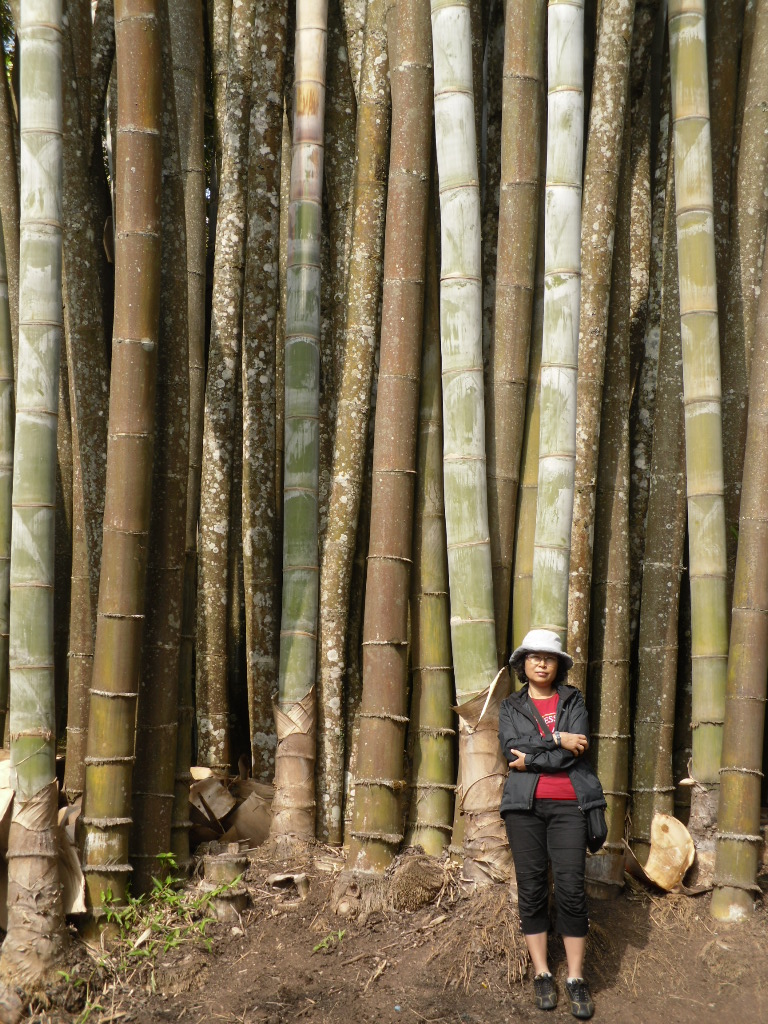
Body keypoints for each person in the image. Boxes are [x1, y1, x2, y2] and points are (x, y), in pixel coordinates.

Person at [498, 628, 606, 1019]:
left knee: (572, 888)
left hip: (570, 806)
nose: (541, 662)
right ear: (523, 664)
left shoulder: (572, 699)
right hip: (523, 808)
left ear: (558, 664)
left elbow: (574, 753)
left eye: (549, 657)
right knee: (530, 887)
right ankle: (543, 972)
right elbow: (510, 749)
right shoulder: (511, 706)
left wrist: (537, 753)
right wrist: (558, 739)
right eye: (533, 656)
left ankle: (576, 976)